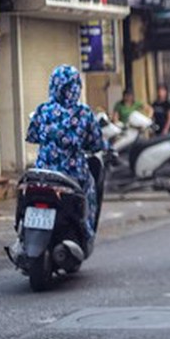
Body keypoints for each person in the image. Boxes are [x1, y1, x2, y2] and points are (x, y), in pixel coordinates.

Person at [26, 65, 107, 241]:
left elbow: (31, 136)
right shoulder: (83, 113)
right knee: (89, 192)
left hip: (43, 172)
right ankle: (85, 232)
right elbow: (96, 143)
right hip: (72, 174)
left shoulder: (42, 110)